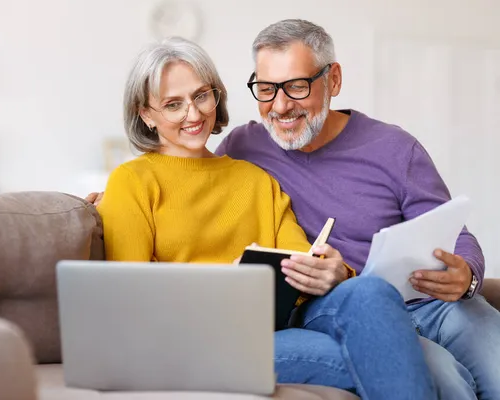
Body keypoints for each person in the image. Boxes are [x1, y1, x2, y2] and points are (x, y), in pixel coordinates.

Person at [94, 36, 436, 399]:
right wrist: (225, 282)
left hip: (264, 331)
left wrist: (326, 269)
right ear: (146, 114)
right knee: (383, 354)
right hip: (185, 343)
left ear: (216, 94)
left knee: (370, 291)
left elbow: (299, 260)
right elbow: (129, 301)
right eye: (173, 105)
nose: (193, 115)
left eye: (200, 96)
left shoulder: (255, 179)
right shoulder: (132, 181)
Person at [213, 18, 500, 400]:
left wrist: (468, 277)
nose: (280, 106)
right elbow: (191, 179)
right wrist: (105, 200)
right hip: (340, 308)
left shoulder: (394, 147)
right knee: (445, 377)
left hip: (429, 301)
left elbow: (457, 235)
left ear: (332, 80)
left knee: (492, 355)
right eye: (266, 89)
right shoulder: (244, 147)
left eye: (297, 86)